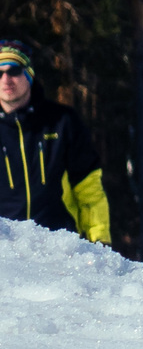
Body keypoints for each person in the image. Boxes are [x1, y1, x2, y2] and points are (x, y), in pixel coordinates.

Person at [0, 40, 112, 244]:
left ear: (29, 74)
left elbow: (88, 187)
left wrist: (99, 241)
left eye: (14, 70)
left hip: (61, 247)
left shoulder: (61, 121)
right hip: (7, 255)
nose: (6, 79)